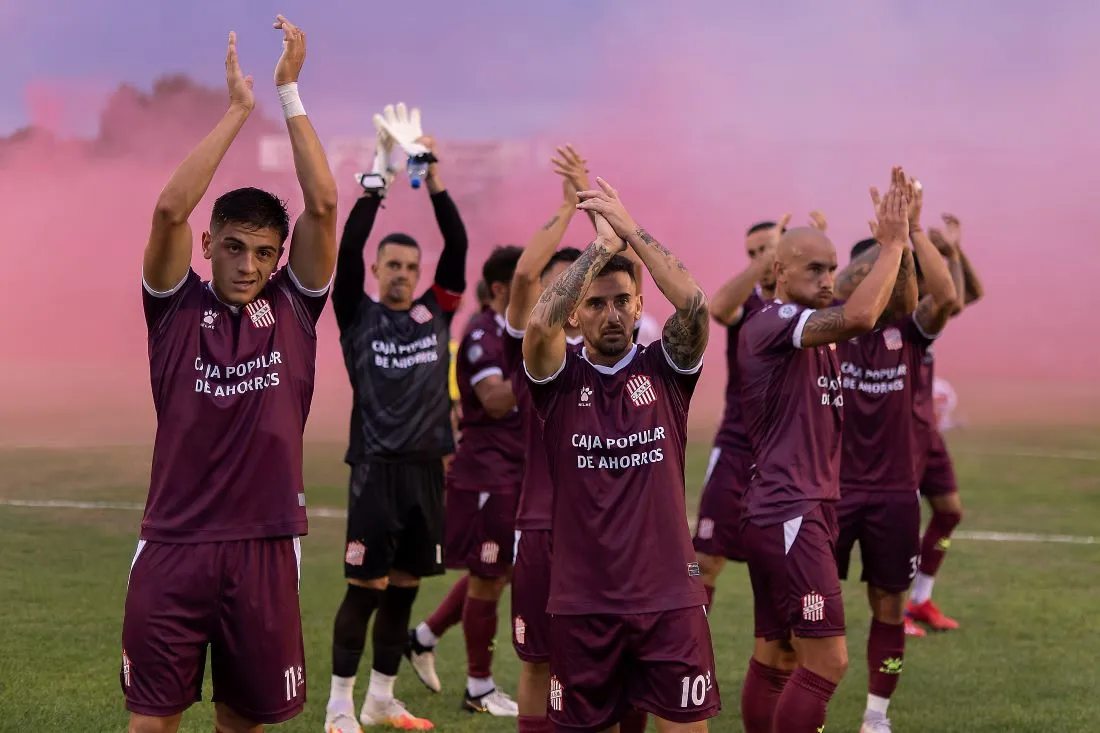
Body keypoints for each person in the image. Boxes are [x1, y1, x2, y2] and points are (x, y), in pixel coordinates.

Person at [121, 17, 338, 733]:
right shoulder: (175, 308)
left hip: (266, 545)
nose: (249, 265)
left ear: (280, 258)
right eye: (235, 247)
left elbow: (326, 206)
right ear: (208, 244)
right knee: (152, 721)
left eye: (264, 252)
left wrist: (288, 92)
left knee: (242, 722)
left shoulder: (294, 310)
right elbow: (167, 208)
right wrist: (237, 112)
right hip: (174, 543)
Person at [522, 176, 720, 732]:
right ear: (575, 315)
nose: (611, 315)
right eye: (596, 304)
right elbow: (538, 324)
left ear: (638, 307)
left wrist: (629, 231)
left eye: (622, 303)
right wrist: (602, 248)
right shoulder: (558, 383)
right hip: (584, 603)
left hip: (670, 599)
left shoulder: (665, 372)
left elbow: (696, 305)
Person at [737, 171, 911, 733]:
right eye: (814, 268)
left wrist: (905, 246)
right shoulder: (775, 322)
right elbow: (861, 315)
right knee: (828, 661)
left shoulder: (814, 329)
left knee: (778, 655)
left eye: (832, 268)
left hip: (790, 509)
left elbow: (891, 307)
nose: (828, 278)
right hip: (791, 511)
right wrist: (890, 246)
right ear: (778, 273)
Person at [324, 113, 468, 733]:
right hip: (375, 474)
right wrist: (378, 178)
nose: (404, 273)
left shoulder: (439, 313)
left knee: (407, 586)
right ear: (379, 270)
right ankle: (337, 708)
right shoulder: (355, 314)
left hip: (426, 474)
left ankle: (381, 700)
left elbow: (458, 244)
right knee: (366, 589)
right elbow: (348, 247)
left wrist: (427, 175)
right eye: (395, 265)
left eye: (412, 266)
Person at [832, 174, 959, 733]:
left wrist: (908, 235)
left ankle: (875, 717)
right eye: (873, 272)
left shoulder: (909, 333)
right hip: (828, 490)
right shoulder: (827, 329)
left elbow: (949, 296)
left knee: (888, 606)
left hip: (891, 495)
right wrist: (884, 249)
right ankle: (799, 706)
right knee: (807, 608)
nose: (885, 282)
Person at [406, 246, 525, 717]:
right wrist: (541, 366)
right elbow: (496, 399)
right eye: (526, 280)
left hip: (515, 471)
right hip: (485, 474)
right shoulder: (482, 333)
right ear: (500, 289)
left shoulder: (512, 333)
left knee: (497, 572)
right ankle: (479, 687)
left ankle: (423, 637)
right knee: (488, 577)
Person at [693, 213, 823, 610]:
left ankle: (778, 661)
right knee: (700, 561)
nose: (762, 257)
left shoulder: (804, 307)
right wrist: (760, 263)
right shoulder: (745, 303)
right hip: (735, 446)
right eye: (753, 251)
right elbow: (717, 309)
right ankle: (689, 648)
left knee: (779, 568)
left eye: (768, 248)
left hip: (786, 457)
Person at [907, 215, 984, 631]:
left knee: (948, 511)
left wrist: (955, 251)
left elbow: (971, 292)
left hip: (925, 430)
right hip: (897, 431)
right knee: (899, 521)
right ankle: (893, 610)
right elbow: (953, 299)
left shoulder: (931, 304)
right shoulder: (907, 308)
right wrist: (947, 254)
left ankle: (920, 600)